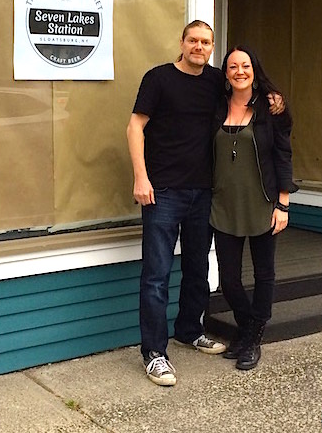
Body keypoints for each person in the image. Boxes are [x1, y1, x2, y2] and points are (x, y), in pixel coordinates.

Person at [127, 20, 227, 387]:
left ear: (212, 47)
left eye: (206, 42)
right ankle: (154, 353)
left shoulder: (217, 82)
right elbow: (135, 126)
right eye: (193, 40)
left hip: (203, 191)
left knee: (198, 267)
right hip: (163, 190)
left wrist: (276, 102)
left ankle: (189, 330)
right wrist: (141, 177)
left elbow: (249, 97)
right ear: (182, 43)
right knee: (156, 274)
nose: (199, 47)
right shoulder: (159, 79)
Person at [210, 45, 298, 371]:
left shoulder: (270, 108)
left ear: (254, 69)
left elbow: (283, 156)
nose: (239, 71)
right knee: (229, 280)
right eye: (232, 66)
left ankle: (252, 339)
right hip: (224, 205)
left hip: (263, 203)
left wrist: (283, 203)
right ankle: (248, 328)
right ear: (226, 73)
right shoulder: (216, 107)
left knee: (264, 275)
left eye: (245, 65)